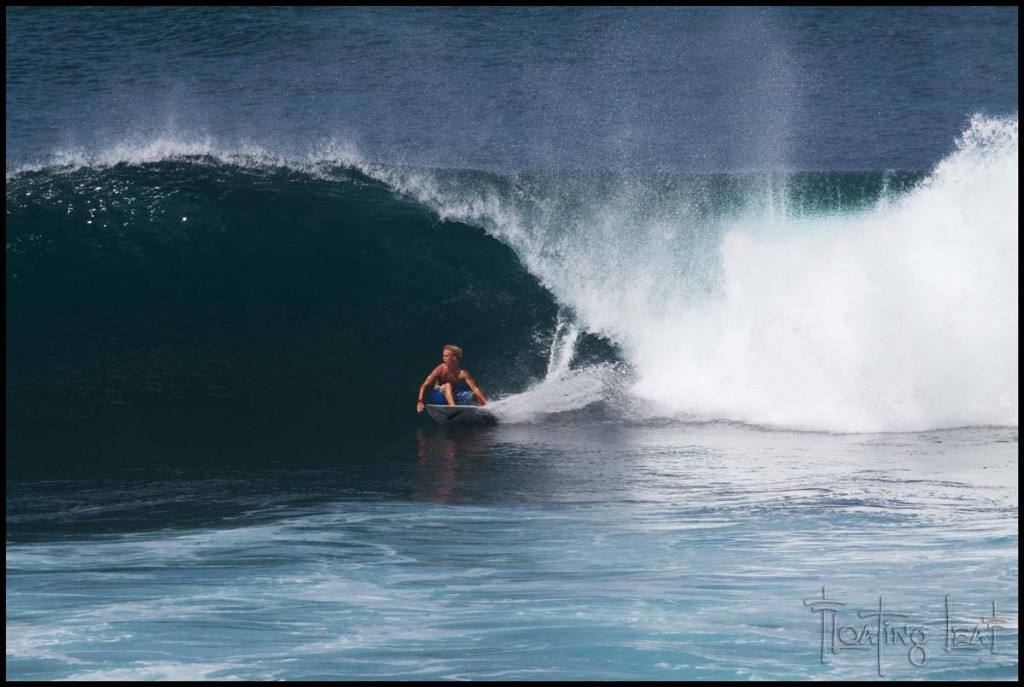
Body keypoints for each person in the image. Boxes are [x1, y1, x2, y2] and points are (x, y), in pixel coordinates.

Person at [416, 345, 488, 412]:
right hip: (439, 396)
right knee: (448, 385)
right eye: (443, 356)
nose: (443, 358)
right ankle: (454, 409)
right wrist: (420, 401)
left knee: (477, 391)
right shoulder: (440, 369)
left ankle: (483, 410)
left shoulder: (463, 372)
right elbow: (424, 385)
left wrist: (487, 404)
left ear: (454, 357)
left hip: (453, 394)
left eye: (446, 356)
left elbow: (475, 389)